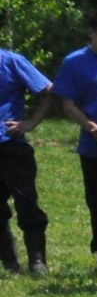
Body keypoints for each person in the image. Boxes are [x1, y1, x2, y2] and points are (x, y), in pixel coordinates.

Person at [51, 10, 97, 273]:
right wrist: (90, 126)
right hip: (94, 146)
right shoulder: (74, 62)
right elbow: (66, 102)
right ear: (91, 34)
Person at [0, 44, 54, 277]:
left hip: (11, 145)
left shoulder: (11, 61)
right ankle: (10, 263)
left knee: (27, 203)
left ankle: (37, 260)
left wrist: (30, 122)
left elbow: (48, 91)